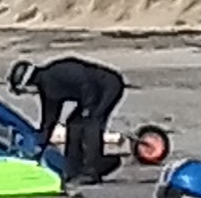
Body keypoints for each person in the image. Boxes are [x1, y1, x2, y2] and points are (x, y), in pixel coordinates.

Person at [7, 55, 125, 184]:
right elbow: (49, 121)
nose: (29, 94)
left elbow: (85, 82)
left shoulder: (57, 71)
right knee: (73, 124)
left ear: (27, 84)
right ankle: (72, 170)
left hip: (108, 86)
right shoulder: (48, 90)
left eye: (24, 91)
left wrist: (88, 107)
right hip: (91, 94)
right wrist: (39, 146)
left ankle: (91, 171)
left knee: (91, 124)